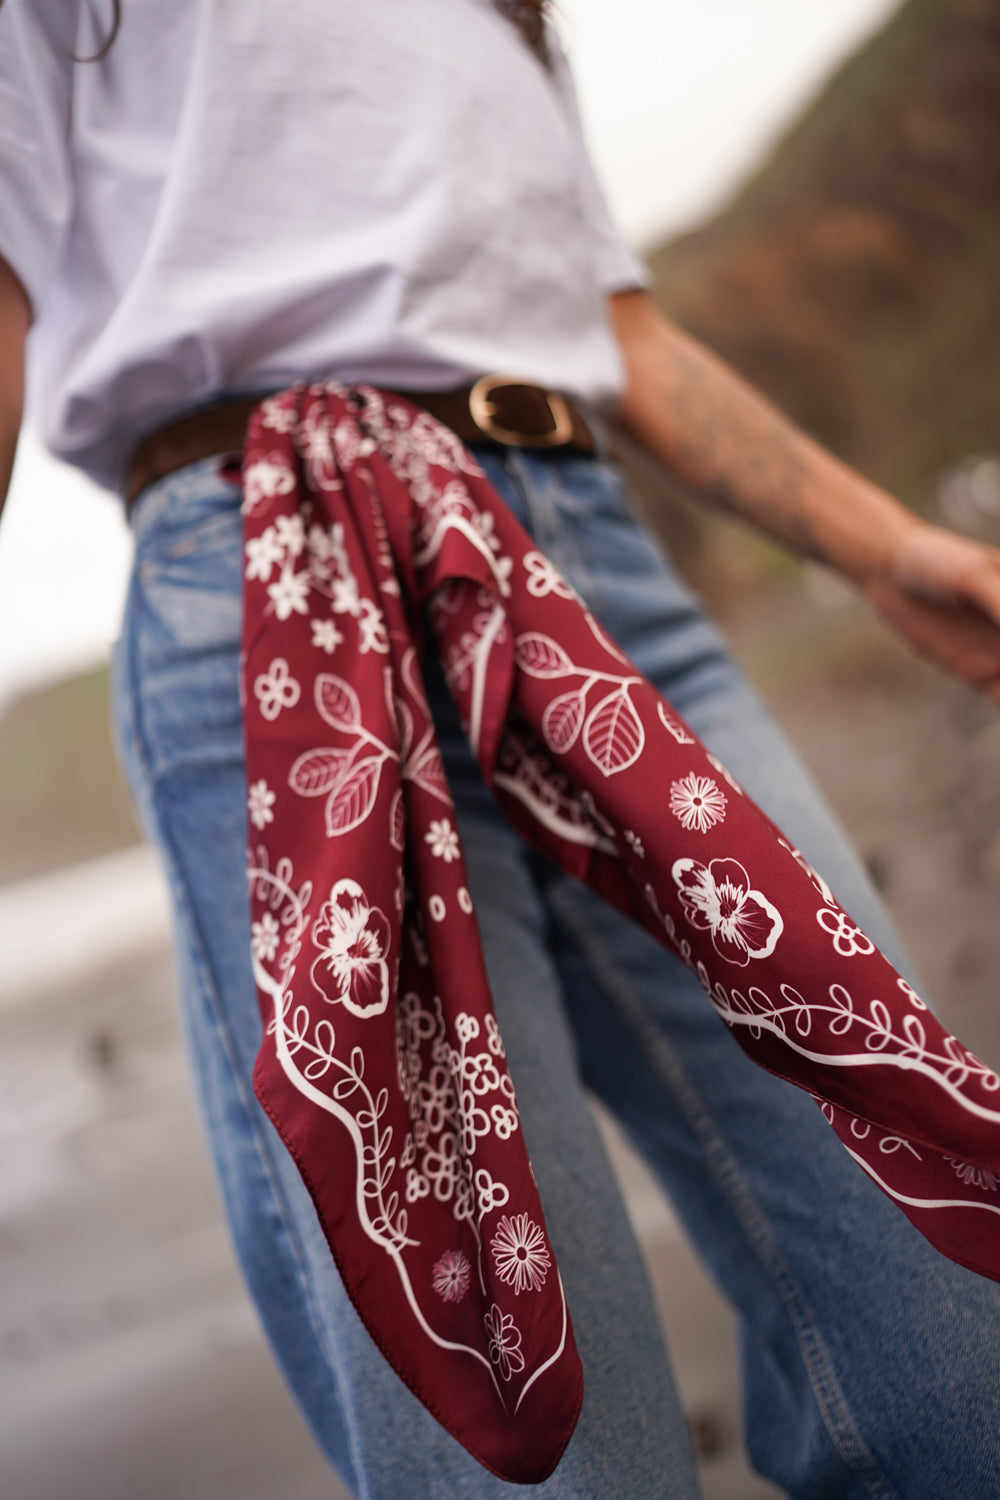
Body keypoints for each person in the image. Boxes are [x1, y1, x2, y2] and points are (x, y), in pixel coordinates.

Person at [2, 2, 1000, 1495]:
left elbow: (618, 335)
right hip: (281, 584)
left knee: (947, 1298)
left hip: (590, 565)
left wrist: (886, 548)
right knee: (528, 1430)